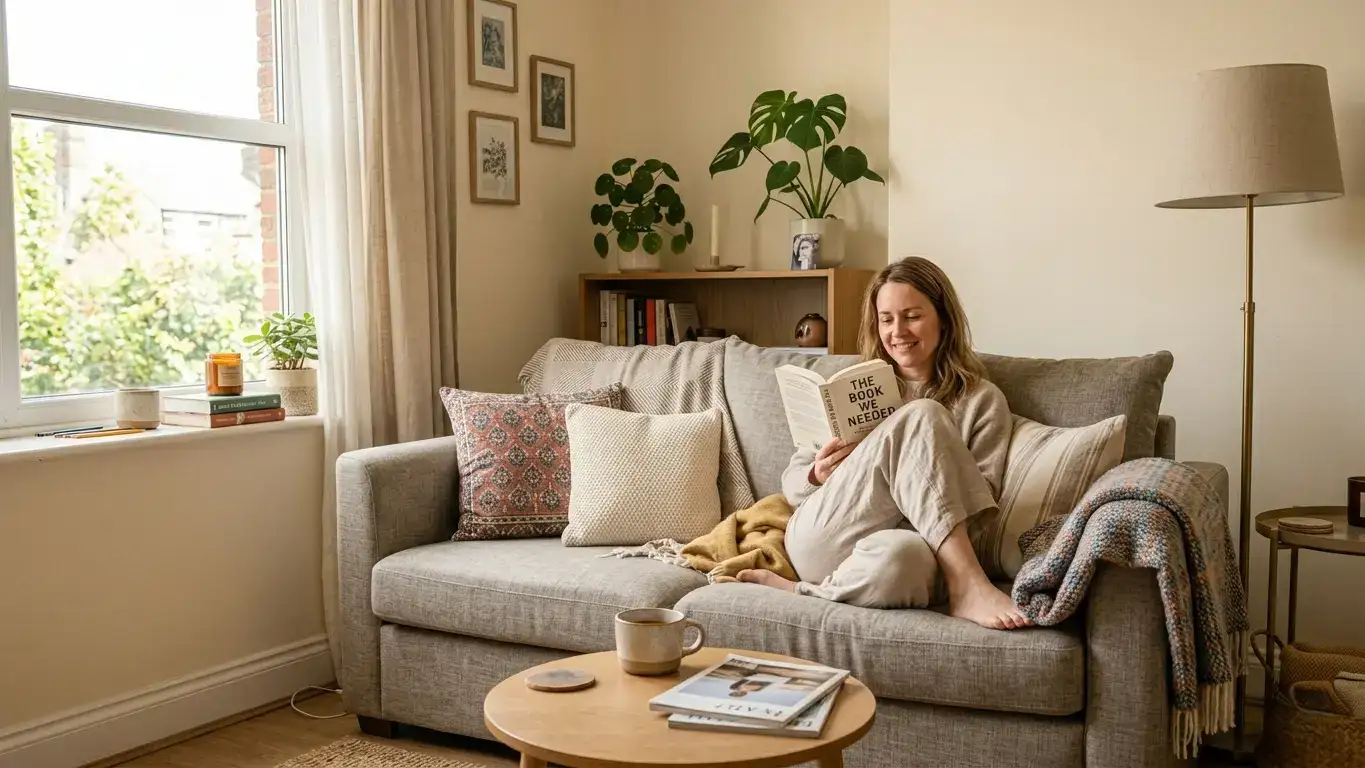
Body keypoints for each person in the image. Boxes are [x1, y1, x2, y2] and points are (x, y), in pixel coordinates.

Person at [738, 256, 1029, 630]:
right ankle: (969, 584)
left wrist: (912, 476)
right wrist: (818, 474)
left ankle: (801, 592)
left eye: (912, 316)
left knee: (900, 561)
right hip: (828, 532)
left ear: (943, 318)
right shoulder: (849, 389)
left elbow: (981, 502)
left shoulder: (981, 400)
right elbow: (792, 488)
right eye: (886, 319)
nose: (898, 331)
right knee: (922, 415)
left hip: (912, 545)